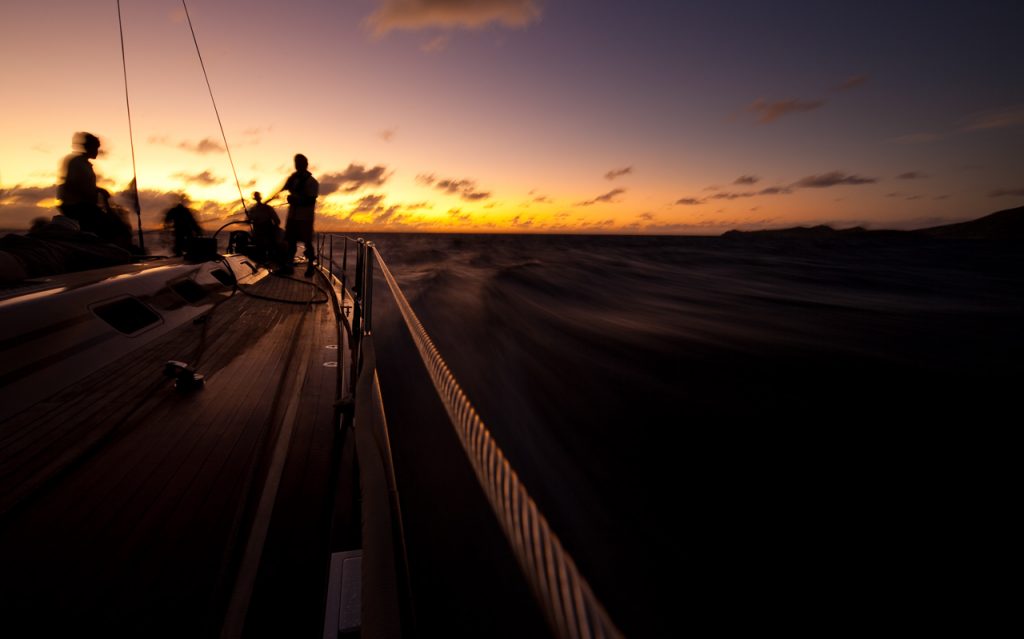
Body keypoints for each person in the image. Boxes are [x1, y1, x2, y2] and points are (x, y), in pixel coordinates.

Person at [276, 154, 318, 276]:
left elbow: (311, 200)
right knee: (290, 242)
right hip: (292, 217)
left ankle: (310, 266)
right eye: (296, 162)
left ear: (305, 164)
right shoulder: (294, 179)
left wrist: (295, 200)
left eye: (299, 162)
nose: (297, 165)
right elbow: (285, 188)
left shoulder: (312, 182)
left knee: (307, 243)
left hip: (305, 218)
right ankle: (289, 267)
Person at [57, 132, 102, 234]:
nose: (97, 151)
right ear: (88, 147)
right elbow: (72, 185)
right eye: (95, 148)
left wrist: (99, 190)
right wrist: (90, 197)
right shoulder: (77, 163)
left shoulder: (84, 164)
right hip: (77, 207)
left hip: (83, 206)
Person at [247, 191, 283, 264]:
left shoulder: (265, 208)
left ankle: (269, 259)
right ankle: (265, 260)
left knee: (269, 247)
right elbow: (249, 220)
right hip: (258, 231)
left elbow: (277, 221)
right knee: (261, 247)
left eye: (257, 197)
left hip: (266, 230)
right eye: (256, 197)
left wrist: (275, 230)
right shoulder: (253, 209)